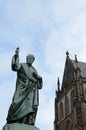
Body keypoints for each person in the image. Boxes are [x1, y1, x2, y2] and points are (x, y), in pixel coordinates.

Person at [7, 47, 43, 125]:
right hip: (22, 89)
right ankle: (13, 120)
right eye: (29, 58)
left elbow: (39, 85)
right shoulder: (22, 65)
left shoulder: (34, 70)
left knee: (30, 107)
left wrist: (39, 77)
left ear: (33, 60)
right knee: (16, 103)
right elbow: (15, 67)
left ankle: (27, 122)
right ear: (27, 59)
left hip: (32, 90)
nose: (30, 60)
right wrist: (16, 55)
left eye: (32, 59)